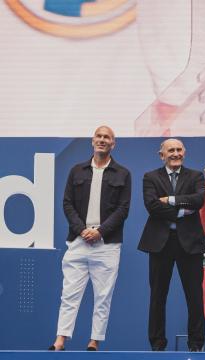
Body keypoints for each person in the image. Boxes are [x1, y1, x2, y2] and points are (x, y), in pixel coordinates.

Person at [49, 126, 131, 351]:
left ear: (113, 143)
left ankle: (94, 341)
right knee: (69, 294)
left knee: (103, 296)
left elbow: (123, 209)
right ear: (92, 140)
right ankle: (60, 340)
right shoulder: (77, 171)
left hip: (107, 244)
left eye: (107, 137)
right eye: (99, 136)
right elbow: (67, 203)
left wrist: (100, 231)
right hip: (78, 240)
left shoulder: (122, 174)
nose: (102, 140)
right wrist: (82, 229)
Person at [137, 138, 205, 352]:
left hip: (190, 243)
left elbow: (199, 200)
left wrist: (170, 200)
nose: (175, 153)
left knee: (195, 296)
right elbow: (152, 206)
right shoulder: (150, 177)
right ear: (162, 155)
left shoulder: (196, 175)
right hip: (160, 243)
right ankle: (157, 346)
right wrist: (183, 211)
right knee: (158, 296)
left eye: (179, 150)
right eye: (171, 150)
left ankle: (196, 345)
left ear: (184, 153)